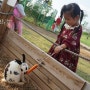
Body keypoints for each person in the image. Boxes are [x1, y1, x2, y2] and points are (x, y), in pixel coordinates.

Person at [48, 3, 84, 72]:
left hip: (67, 52)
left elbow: (71, 40)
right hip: (58, 47)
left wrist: (61, 46)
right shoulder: (66, 25)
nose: (66, 21)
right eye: (65, 19)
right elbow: (61, 35)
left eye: (68, 19)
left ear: (77, 17)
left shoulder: (78, 29)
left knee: (62, 69)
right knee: (52, 62)